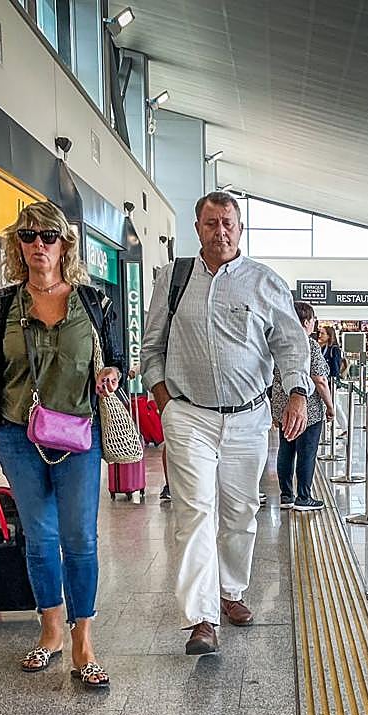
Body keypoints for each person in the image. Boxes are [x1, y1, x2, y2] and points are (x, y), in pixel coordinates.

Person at [142, 191, 311, 656]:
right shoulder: (173, 280)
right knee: (194, 513)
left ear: (240, 229)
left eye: (228, 223)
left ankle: (231, 590)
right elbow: (151, 345)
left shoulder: (265, 282)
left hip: (248, 418)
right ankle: (202, 618)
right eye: (212, 222)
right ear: (197, 228)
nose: (220, 231)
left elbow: (292, 346)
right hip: (188, 415)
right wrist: (165, 403)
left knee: (240, 514)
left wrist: (297, 393)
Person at [0, 201, 124, 689]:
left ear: (64, 245)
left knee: (80, 538)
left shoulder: (94, 302)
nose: (38, 245)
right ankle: (50, 630)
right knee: (40, 536)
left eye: (48, 237)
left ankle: (83, 639)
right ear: (18, 245)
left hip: (78, 434)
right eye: (29, 236)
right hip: (17, 434)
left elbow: (116, 360)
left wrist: (112, 374)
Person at [274, 302, 335, 511]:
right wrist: (330, 405)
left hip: (283, 407)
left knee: (286, 450)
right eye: (314, 320)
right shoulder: (309, 344)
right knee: (306, 452)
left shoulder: (278, 342)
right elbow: (320, 379)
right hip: (308, 409)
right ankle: (303, 497)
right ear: (307, 321)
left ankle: (286, 495)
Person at [318, 324, 346, 436]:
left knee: (334, 405)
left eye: (323, 333)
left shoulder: (334, 349)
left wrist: (333, 381)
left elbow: (335, 367)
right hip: (324, 382)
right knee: (333, 404)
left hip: (331, 382)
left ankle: (345, 427)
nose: (320, 335)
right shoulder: (322, 348)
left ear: (329, 336)